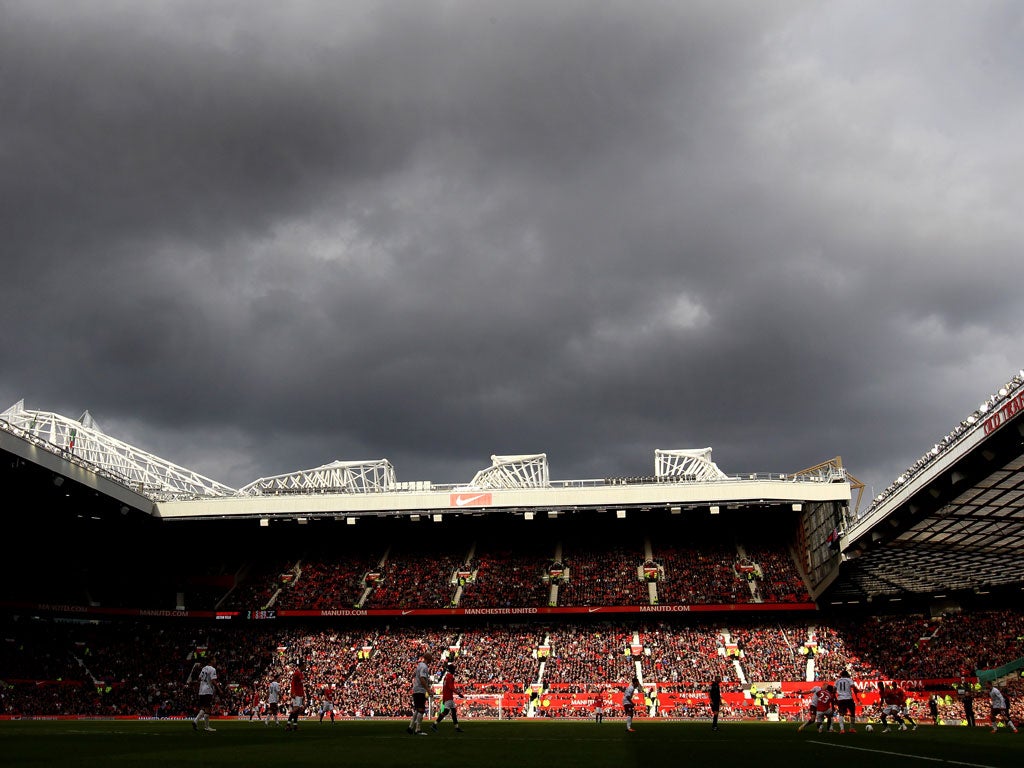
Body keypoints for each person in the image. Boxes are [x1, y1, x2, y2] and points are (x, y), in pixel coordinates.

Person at [192, 655, 220, 732]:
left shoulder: (204, 668)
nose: (215, 661)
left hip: (201, 690)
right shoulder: (212, 669)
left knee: (203, 708)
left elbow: (199, 678)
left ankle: (195, 721)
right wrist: (219, 689)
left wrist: (197, 688)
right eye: (214, 659)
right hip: (208, 690)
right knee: (207, 708)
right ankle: (206, 727)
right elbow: (213, 680)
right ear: (211, 660)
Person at [431, 662, 463, 732]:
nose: (454, 670)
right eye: (454, 669)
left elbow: (446, 686)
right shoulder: (450, 676)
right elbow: (451, 687)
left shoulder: (446, 676)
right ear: (451, 670)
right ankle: (434, 724)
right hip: (448, 697)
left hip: (447, 696)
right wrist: (459, 694)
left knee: (453, 711)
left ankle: (456, 727)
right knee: (446, 712)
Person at [407, 651, 433, 735]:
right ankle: (418, 729)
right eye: (431, 659)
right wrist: (428, 690)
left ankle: (410, 727)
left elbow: (413, 674)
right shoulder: (424, 667)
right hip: (420, 690)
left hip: (416, 689)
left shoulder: (419, 665)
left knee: (417, 709)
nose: (431, 660)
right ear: (428, 659)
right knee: (421, 710)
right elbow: (422, 679)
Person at [284, 662, 305, 731]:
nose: (305, 667)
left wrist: (303, 694)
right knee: (295, 710)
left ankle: (295, 726)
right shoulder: (296, 673)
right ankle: (287, 725)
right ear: (301, 666)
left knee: (297, 711)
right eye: (304, 666)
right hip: (296, 694)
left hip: (300, 694)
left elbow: (300, 685)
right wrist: (293, 692)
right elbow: (292, 683)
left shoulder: (301, 674)